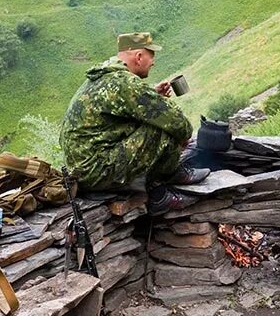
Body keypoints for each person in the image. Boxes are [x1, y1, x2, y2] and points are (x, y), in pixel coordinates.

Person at [60, 32, 208, 213]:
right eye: (151, 57)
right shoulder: (125, 83)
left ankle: (165, 180)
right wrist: (184, 137)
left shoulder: (104, 76)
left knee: (154, 120)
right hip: (97, 172)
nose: (153, 63)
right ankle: (162, 190)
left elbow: (118, 111)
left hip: (83, 171)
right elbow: (176, 122)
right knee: (163, 127)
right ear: (139, 57)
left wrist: (152, 94)